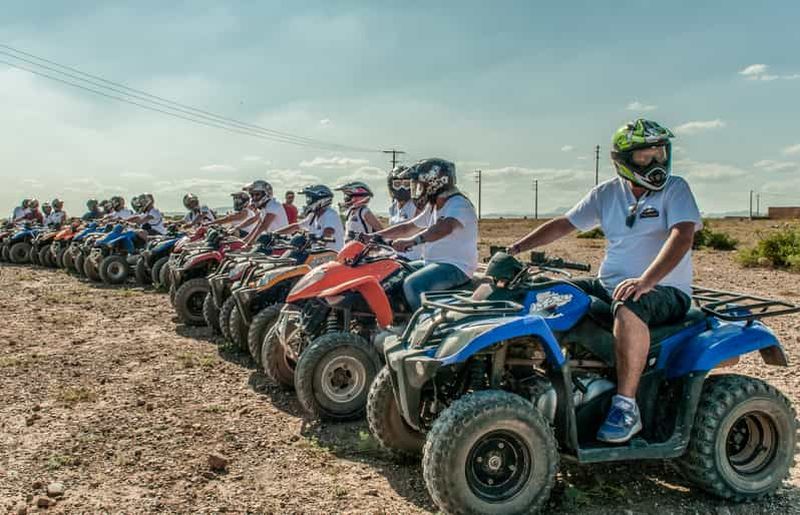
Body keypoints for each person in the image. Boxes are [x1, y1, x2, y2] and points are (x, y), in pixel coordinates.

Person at [507, 119, 701, 443]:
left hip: (665, 289)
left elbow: (682, 236)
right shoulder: (608, 192)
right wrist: (517, 248)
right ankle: (546, 376)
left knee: (628, 306)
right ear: (623, 160)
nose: (656, 162)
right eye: (645, 156)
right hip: (610, 284)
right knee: (554, 292)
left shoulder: (675, 188)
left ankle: (626, 407)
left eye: (660, 152)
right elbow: (565, 224)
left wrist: (647, 280)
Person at [373, 158, 478, 311]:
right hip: (431, 262)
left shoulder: (458, 204)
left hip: (456, 267)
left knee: (413, 284)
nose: (416, 190)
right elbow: (407, 227)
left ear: (434, 183)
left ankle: (428, 328)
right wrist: (375, 236)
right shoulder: (434, 206)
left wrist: (413, 241)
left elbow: (443, 228)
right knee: (394, 271)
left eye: (420, 185)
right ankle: (397, 319)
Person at [276, 184, 344, 251]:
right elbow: (296, 226)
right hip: (317, 253)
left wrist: (320, 240)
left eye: (309, 199)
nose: (307, 203)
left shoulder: (330, 214)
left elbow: (328, 231)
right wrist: (274, 233)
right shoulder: (313, 216)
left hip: (332, 254)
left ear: (320, 200)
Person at [233, 181, 289, 246]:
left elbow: (263, 227)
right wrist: (244, 240)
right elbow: (258, 226)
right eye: (252, 195)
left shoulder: (274, 205)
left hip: (282, 242)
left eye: (257, 194)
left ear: (267, 194)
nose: (254, 198)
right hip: (272, 241)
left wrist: (248, 244)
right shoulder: (264, 207)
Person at [387, 165, 422, 260]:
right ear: (391, 186)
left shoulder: (417, 205)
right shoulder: (392, 207)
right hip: (395, 257)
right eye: (397, 184)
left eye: (406, 184)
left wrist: (382, 237)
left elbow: (410, 230)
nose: (402, 188)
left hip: (413, 259)